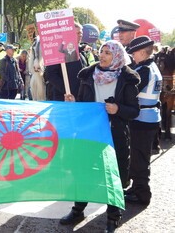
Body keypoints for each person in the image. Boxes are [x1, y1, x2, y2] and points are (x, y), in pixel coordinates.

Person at [62, 40, 140, 233]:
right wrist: (74, 103)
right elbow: (83, 105)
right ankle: (78, 210)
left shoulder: (128, 79)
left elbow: (134, 111)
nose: (103, 55)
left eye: (108, 53)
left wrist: (118, 109)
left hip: (116, 135)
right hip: (90, 133)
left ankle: (113, 217)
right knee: (84, 172)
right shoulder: (88, 75)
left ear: (117, 56)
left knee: (114, 176)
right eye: (101, 51)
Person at [125, 36, 162, 206]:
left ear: (141, 52)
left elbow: (131, 92)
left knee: (140, 158)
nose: (132, 56)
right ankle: (136, 187)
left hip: (143, 120)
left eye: (133, 53)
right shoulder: (149, 66)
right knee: (139, 156)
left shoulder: (145, 70)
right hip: (148, 118)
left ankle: (142, 194)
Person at [45, 22, 88, 100]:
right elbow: (50, 74)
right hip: (63, 99)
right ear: (69, 34)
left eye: (81, 33)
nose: (80, 35)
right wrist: (67, 91)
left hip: (78, 99)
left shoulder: (82, 53)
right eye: (78, 33)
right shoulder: (59, 52)